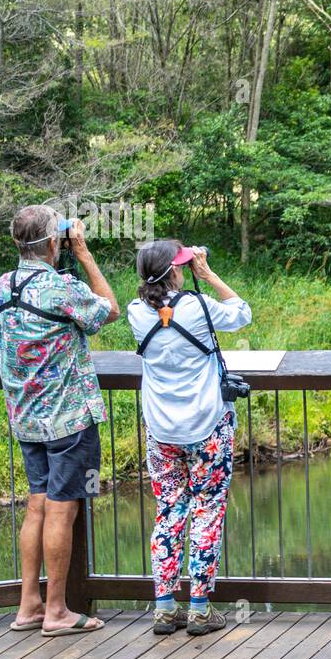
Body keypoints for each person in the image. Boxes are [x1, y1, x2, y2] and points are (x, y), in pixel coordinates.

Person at [0, 205, 119, 637]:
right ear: (54, 242)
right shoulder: (60, 287)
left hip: (26, 418)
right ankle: (57, 612)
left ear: (16, 243)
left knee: (37, 505)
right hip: (69, 420)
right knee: (62, 512)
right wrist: (82, 252)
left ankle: (29, 606)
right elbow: (109, 310)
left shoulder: (3, 286)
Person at [128, 240, 251, 636]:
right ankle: (199, 608)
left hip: (162, 431)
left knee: (169, 510)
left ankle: (165, 607)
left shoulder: (136, 313)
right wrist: (208, 274)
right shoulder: (197, 307)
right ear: (175, 272)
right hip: (207, 427)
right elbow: (242, 313)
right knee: (207, 510)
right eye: (181, 265)